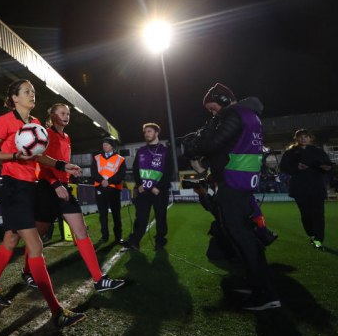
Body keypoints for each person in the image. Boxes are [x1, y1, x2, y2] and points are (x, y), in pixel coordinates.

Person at [0, 79, 86, 328]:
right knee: (36, 246)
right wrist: (14, 156)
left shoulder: (36, 122)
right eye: (27, 91)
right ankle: (57, 311)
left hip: (31, 188)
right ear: (15, 98)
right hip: (13, 188)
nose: (32, 95)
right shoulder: (5, 121)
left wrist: (62, 165)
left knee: (10, 239)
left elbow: (39, 156)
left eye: (33, 92)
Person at [183, 82, 280, 311]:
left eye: (213, 108)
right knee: (239, 234)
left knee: (242, 236)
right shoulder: (247, 115)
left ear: (223, 100)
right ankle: (256, 284)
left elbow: (212, 144)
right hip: (239, 180)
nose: (213, 113)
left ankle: (264, 293)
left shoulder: (235, 114)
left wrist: (193, 145)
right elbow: (227, 148)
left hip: (234, 182)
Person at [24, 103, 127, 292]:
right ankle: (27, 271)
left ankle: (99, 280)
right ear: (53, 115)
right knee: (37, 236)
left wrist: (71, 170)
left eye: (68, 113)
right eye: (62, 113)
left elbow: (61, 163)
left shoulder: (67, 137)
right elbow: (41, 163)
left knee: (81, 231)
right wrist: (55, 184)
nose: (66, 116)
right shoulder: (45, 134)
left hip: (63, 188)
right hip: (47, 188)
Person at [122, 123, 173, 251]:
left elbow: (169, 172)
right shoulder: (141, 151)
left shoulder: (165, 151)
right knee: (141, 218)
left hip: (159, 192)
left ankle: (160, 241)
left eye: (149, 131)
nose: (146, 134)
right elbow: (135, 169)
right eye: (145, 132)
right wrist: (139, 184)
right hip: (143, 191)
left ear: (156, 133)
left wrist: (159, 187)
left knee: (160, 217)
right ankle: (134, 241)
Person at [279, 129, 332, 249]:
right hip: (299, 187)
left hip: (316, 187)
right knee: (306, 214)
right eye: (301, 136)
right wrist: (296, 167)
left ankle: (318, 240)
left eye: (306, 136)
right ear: (296, 138)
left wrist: (326, 167)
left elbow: (329, 166)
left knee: (319, 214)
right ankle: (312, 234)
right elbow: (283, 167)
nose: (303, 138)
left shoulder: (318, 151)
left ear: (310, 138)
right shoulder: (290, 152)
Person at [91, 138, 126, 244]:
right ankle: (104, 236)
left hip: (114, 189)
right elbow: (93, 172)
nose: (104, 145)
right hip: (100, 188)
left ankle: (118, 237)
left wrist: (109, 181)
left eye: (107, 144)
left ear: (112, 146)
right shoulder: (96, 157)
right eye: (103, 144)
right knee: (103, 214)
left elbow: (121, 175)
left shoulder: (120, 159)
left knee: (116, 214)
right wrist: (102, 181)